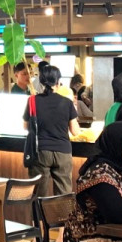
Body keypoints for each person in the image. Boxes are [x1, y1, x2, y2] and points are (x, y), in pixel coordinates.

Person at [24, 63, 80, 198]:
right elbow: (75, 131)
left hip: (40, 152)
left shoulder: (32, 101)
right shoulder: (67, 102)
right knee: (63, 196)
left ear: (41, 81)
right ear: (58, 81)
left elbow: (26, 126)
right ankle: (62, 212)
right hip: (63, 152)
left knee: (39, 195)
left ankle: (39, 213)